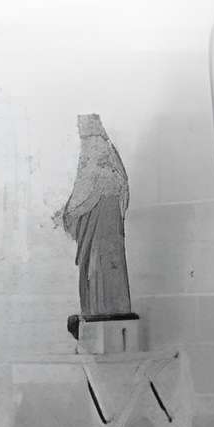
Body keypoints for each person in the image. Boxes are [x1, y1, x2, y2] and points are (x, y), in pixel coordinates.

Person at [55, 112, 136, 323]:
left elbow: (83, 192)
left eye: (82, 131)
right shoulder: (112, 162)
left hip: (100, 233)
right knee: (108, 264)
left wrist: (65, 213)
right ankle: (112, 305)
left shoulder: (93, 156)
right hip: (109, 234)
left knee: (97, 265)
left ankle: (101, 306)